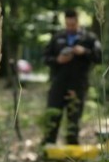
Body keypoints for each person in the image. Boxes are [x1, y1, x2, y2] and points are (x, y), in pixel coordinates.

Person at [42, 9, 102, 145]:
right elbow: (45, 58)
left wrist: (85, 52)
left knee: (74, 116)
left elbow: (99, 57)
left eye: (73, 25)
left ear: (78, 22)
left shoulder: (89, 38)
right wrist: (57, 60)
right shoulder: (57, 37)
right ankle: (48, 145)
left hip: (78, 84)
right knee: (53, 114)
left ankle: (72, 147)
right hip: (58, 83)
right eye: (68, 25)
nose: (70, 28)